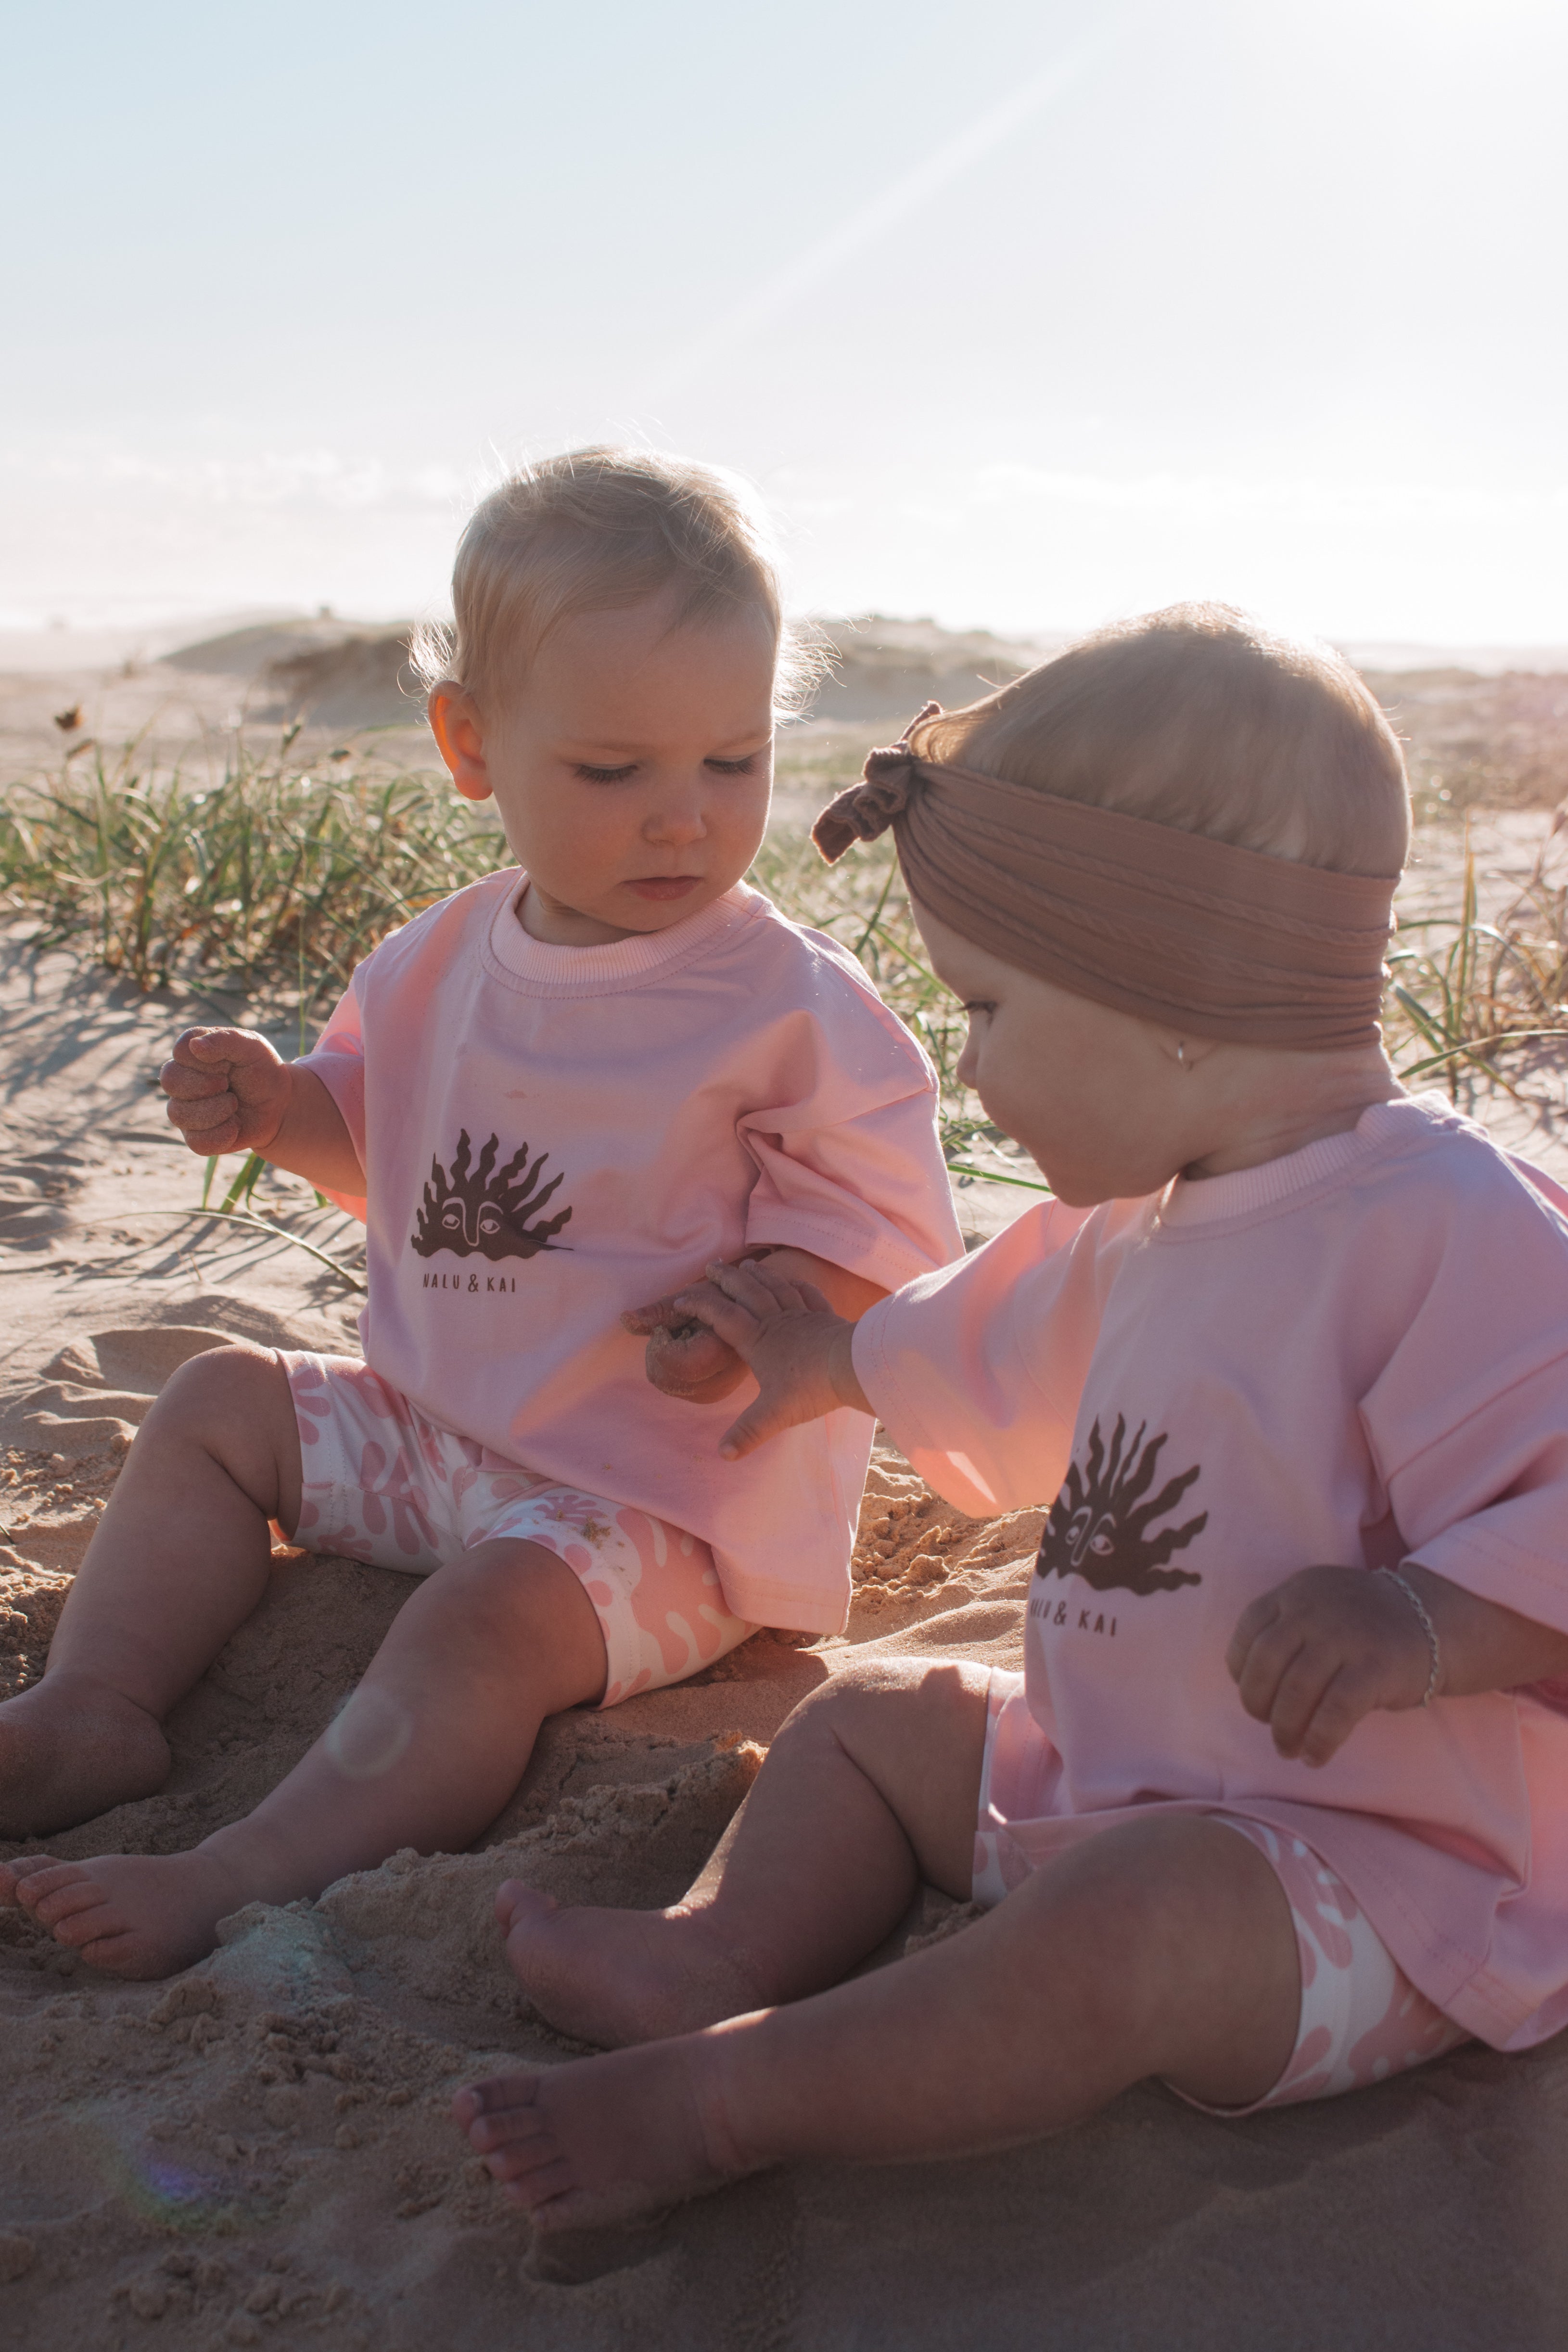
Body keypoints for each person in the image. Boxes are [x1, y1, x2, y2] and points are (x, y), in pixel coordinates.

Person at [449, 605, 1568, 2235]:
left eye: (988, 1012)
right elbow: (970, 1346)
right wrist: (819, 1357)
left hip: (1382, 1875)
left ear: (1169, 987)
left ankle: (730, 2100)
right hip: (1121, 1768)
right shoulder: (1148, 1222)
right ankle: (725, 1954)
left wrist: (1421, 1617)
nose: (970, 1076)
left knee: (1132, 1926)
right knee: (877, 1717)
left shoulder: (1445, 1224)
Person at [0, 447, 962, 1977]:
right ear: (469, 744)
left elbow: (893, 1240)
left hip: (656, 1507)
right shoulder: (433, 962)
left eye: (731, 762)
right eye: (612, 771)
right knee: (215, 1402)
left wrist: (761, 1310)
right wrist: (280, 1112)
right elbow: (388, 1151)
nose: (682, 821)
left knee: (481, 1624)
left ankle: (249, 1862)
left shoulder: (786, 1008)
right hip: (436, 1427)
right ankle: (92, 1711)